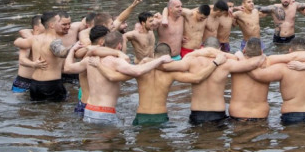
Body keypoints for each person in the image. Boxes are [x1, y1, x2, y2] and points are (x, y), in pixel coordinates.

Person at [94, 42, 226, 126]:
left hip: (141, 117)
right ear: (169, 58)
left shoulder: (140, 70)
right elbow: (198, 78)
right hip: (160, 117)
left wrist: (98, 65)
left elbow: (113, 77)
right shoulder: (171, 73)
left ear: (153, 54)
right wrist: (215, 63)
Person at [68, 30, 171, 124]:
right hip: (105, 112)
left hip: (89, 111)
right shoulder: (116, 61)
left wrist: (72, 50)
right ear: (119, 45)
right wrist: (160, 60)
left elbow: (68, 68)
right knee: (117, 143)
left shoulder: (89, 60)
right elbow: (138, 71)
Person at [228, 38, 305, 121]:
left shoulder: (234, 61)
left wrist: (239, 55)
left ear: (244, 50)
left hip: (237, 112)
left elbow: (217, 54)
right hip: (260, 114)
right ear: (261, 51)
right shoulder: (268, 61)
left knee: (238, 140)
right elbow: (294, 56)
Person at [185, 39, 267, 124]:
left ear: (202, 48)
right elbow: (251, 65)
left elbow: (178, 63)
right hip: (218, 113)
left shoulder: (190, 61)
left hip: (196, 113)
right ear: (220, 48)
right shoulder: (228, 63)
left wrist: (196, 53)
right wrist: (262, 56)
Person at [13, 11, 73, 102]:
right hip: (51, 85)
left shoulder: (34, 39)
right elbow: (63, 53)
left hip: (35, 85)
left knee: (37, 112)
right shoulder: (55, 41)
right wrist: (76, 47)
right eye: (59, 22)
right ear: (52, 25)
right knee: (55, 114)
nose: (62, 25)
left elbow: (17, 42)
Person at [12, 15, 46, 93]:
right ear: (36, 27)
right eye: (44, 24)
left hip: (40, 82)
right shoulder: (27, 40)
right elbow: (22, 60)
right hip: (24, 82)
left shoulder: (47, 39)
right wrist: (33, 64)